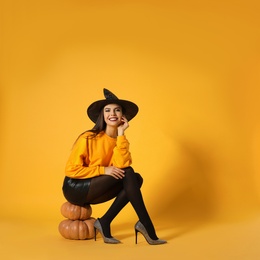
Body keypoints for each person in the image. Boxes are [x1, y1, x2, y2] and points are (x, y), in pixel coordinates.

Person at [62, 88, 166, 245]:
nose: (112, 114)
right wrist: (103, 170)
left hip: (96, 187)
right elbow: (71, 170)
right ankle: (146, 224)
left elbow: (122, 165)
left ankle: (105, 222)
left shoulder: (120, 140)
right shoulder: (88, 138)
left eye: (117, 110)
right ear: (102, 116)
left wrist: (121, 134)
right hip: (75, 187)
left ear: (122, 117)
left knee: (135, 178)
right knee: (130, 174)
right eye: (108, 110)